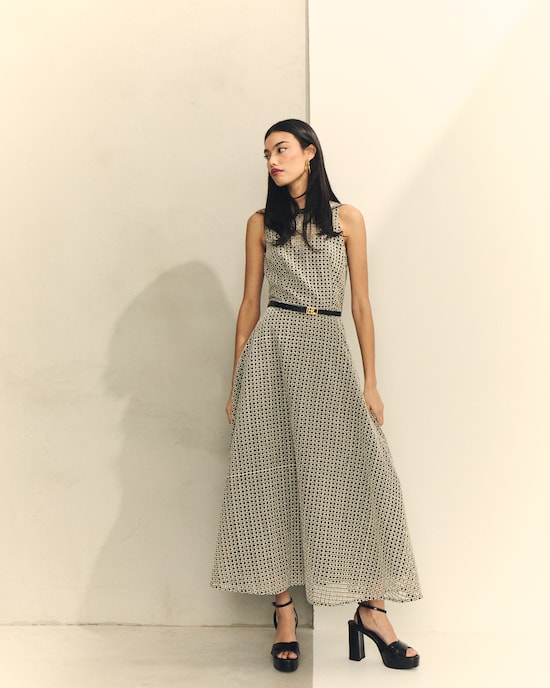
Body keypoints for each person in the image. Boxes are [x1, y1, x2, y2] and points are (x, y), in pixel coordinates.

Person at [211, 119, 422, 673]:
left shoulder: (347, 219)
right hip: (271, 356)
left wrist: (370, 382)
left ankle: (371, 609)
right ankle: (283, 613)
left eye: (281, 149)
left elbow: (361, 306)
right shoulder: (262, 223)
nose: (272, 161)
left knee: (362, 477)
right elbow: (249, 304)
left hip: (327, 351)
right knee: (269, 479)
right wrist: (236, 382)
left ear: (310, 152)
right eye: (266, 154)